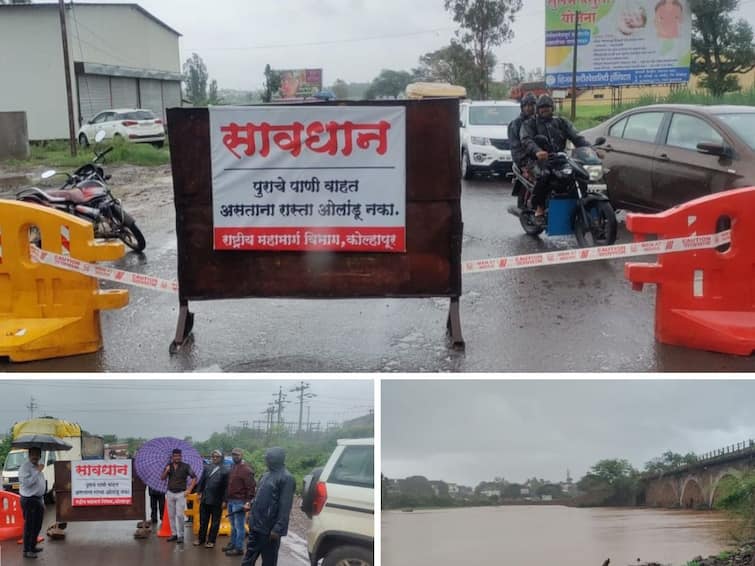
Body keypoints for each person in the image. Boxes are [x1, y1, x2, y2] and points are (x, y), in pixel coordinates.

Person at [521, 94, 590, 223]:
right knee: (545, 175)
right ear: (537, 109)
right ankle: (539, 208)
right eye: (541, 107)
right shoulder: (530, 123)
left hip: (559, 158)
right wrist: (537, 151)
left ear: (552, 108)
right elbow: (527, 140)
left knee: (578, 172)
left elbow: (576, 137)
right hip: (537, 160)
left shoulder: (561, 122)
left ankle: (580, 203)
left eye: (547, 106)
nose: (544, 109)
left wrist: (591, 149)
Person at [241, 447, 295, 566]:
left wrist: (278, 528)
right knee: (248, 558)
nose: (265, 461)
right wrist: (250, 505)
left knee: (269, 562)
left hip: (269, 530)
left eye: (267, 458)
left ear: (275, 459)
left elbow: (285, 506)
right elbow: (259, 495)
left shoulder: (287, 478)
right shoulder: (265, 475)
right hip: (255, 526)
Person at [159, 448, 197, 544]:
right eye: (175, 456)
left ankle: (181, 535)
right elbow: (162, 478)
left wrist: (189, 489)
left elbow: (194, 477)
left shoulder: (186, 466)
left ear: (181, 456)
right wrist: (166, 471)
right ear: (172, 457)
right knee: (171, 515)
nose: (177, 458)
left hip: (181, 493)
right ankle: (174, 534)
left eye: (179, 456)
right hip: (170, 493)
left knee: (180, 515)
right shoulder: (168, 466)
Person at [224, 447, 256, 557]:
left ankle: (239, 548)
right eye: (233, 454)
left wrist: (248, 502)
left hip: (240, 501)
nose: (235, 456)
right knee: (233, 525)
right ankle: (232, 544)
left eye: (237, 454)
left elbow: (251, 488)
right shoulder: (233, 467)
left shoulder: (247, 470)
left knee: (239, 526)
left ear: (242, 455)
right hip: (231, 500)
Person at [194, 449, 229, 548]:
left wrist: (225, 500)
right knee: (203, 520)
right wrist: (199, 492)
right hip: (205, 498)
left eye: (217, 456)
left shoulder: (226, 470)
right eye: (213, 456)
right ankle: (201, 539)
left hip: (217, 500)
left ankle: (211, 540)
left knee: (215, 522)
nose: (214, 458)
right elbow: (201, 481)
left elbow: (227, 487)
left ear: (221, 458)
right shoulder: (207, 467)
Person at [19, 447, 45, 559]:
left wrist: (42, 501)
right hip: (29, 500)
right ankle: (27, 550)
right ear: (29, 455)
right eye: (33, 454)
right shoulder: (25, 467)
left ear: (40, 456)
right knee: (30, 526)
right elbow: (27, 484)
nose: (35, 457)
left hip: (38, 499)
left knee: (37, 525)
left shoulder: (36, 466)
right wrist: (38, 471)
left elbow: (40, 483)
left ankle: (33, 546)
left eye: (37, 454)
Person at [508, 92, 537, 169]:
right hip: (525, 162)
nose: (528, 108)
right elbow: (515, 148)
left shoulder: (539, 121)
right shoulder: (516, 124)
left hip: (540, 159)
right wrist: (525, 164)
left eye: (531, 105)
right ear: (522, 107)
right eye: (525, 105)